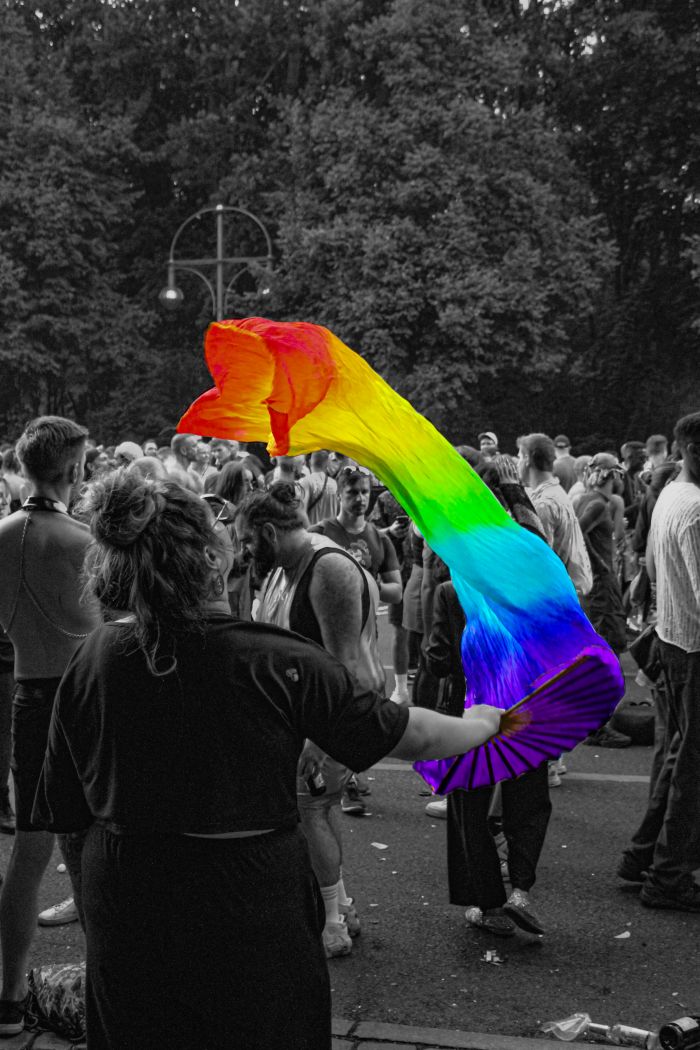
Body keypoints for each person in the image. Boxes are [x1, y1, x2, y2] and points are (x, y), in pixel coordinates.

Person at [33, 470, 509, 1050]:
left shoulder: (93, 658)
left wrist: (96, 916)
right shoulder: (276, 659)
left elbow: (67, 813)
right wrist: (483, 722)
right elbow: (408, 735)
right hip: (248, 895)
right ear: (213, 559)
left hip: (128, 891)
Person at [0, 416, 102, 1036]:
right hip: (85, 701)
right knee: (95, 846)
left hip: (28, 697)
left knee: (29, 854)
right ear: (71, 471)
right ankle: (107, 985)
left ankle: (8, 996)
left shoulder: (2, 533)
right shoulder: (81, 542)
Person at [618, 412, 700, 912]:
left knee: (677, 753)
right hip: (692, 646)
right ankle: (668, 877)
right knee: (692, 765)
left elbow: (649, 563)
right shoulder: (694, 508)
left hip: (673, 638)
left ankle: (642, 855)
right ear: (694, 450)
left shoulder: (670, 493)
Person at [518, 434, 592, 599]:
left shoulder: (544, 504)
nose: (517, 464)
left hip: (554, 598)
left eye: (518, 457)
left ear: (527, 459)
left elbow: (540, 563)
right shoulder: (555, 492)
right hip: (567, 592)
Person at [298, 450, 338, 527]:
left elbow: (300, 512)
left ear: (310, 463)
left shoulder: (306, 482)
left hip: (313, 535)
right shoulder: (335, 484)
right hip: (331, 535)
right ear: (327, 464)